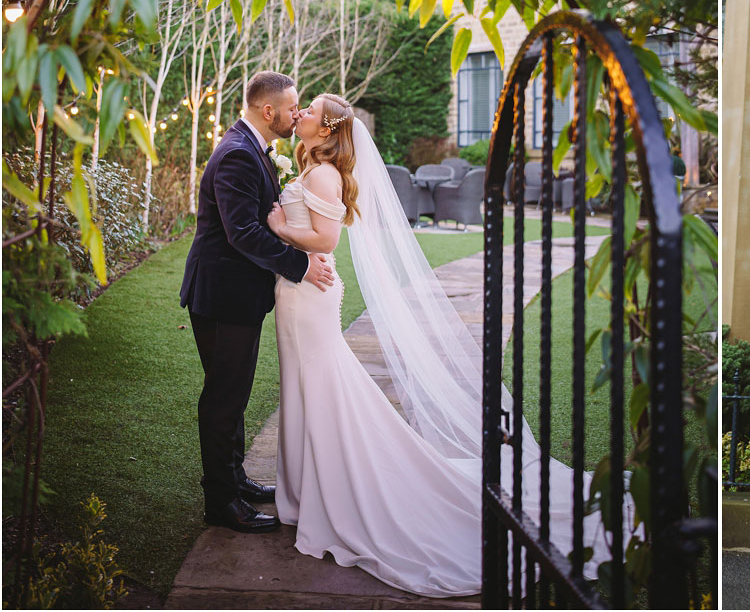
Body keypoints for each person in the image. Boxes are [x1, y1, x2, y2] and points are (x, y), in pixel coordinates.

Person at [261, 92, 604, 597]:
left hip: (310, 294)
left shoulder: (325, 175)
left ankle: (327, 489)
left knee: (319, 381)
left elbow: (327, 240)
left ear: (329, 129)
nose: (302, 115)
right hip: (299, 292)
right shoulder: (313, 167)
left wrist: (275, 226)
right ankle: (301, 491)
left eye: (310, 110)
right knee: (305, 383)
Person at [179, 70, 337, 535]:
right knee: (224, 398)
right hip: (223, 296)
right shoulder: (236, 156)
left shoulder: (253, 149)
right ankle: (221, 502)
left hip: (237, 295)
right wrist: (300, 264)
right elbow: (242, 232)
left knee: (234, 392)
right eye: (293, 107)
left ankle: (235, 479)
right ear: (269, 111)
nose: (297, 113)